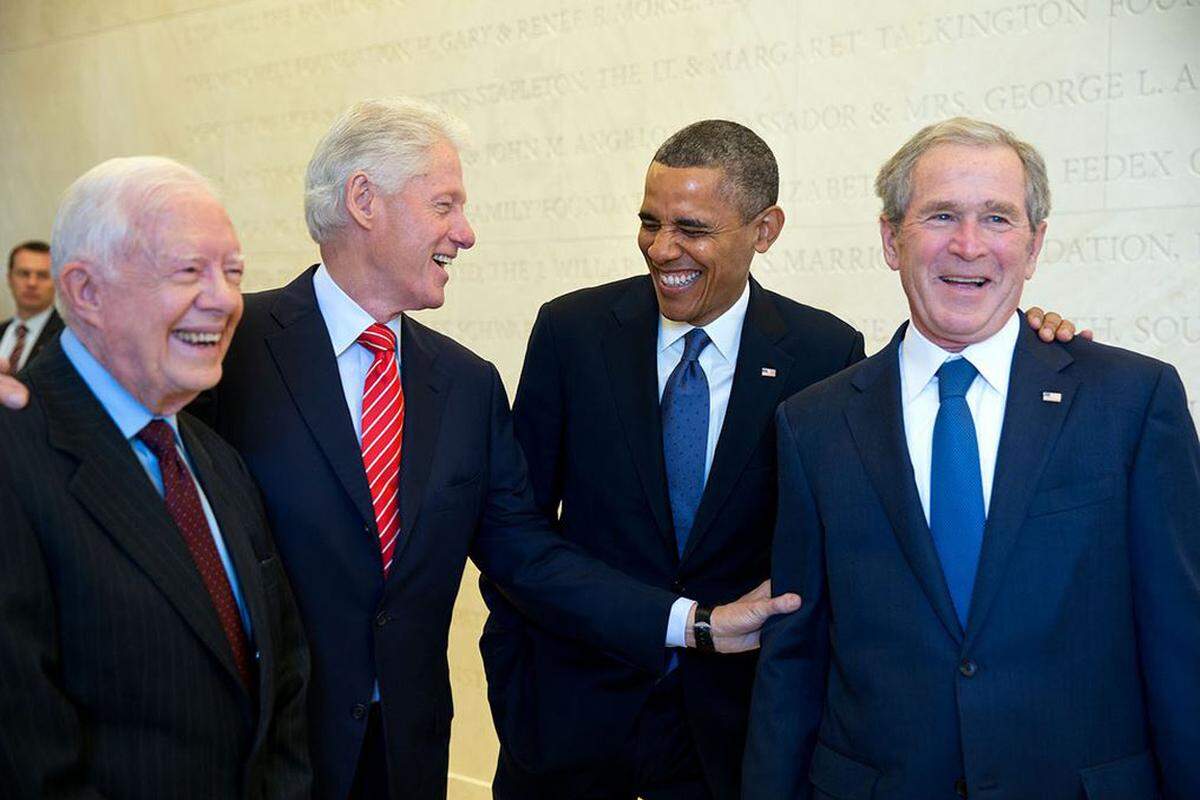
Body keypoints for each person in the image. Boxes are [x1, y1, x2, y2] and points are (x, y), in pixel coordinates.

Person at [195, 98, 793, 800]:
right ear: (364, 200)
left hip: (404, 758)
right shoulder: (228, 350)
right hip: (255, 750)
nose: (466, 234)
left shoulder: (466, 385)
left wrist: (695, 624)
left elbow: (527, 555)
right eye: (445, 205)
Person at [481, 120, 1083, 800]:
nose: (661, 248)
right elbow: (514, 534)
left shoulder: (825, 355)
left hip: (733, 744)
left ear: (764, 230)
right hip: (568, 729)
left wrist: (1029, 345)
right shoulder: (572, 332)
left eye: (693, 228)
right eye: (650, 222)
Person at [743, 117, 1200, 799]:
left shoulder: (1132, 401)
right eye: (941, 215)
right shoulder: (814, 425)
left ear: (1035, 244)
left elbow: (1181, 644)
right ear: (891, 239)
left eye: (997, 218)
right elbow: (795, 661)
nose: (968, 245)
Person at [0, 157, 311, 799]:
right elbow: (24, 755)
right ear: (86, 291)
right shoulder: (13, 454)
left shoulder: (216, 458)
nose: (225, 300)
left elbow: (281, 680)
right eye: (188, 271)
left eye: (232, 272)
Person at [0, 240, 63, 374]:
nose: (32, 283)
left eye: (42, 275)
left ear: (56, 281)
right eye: (24, 273)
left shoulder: (67, 338)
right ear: (9, 278)